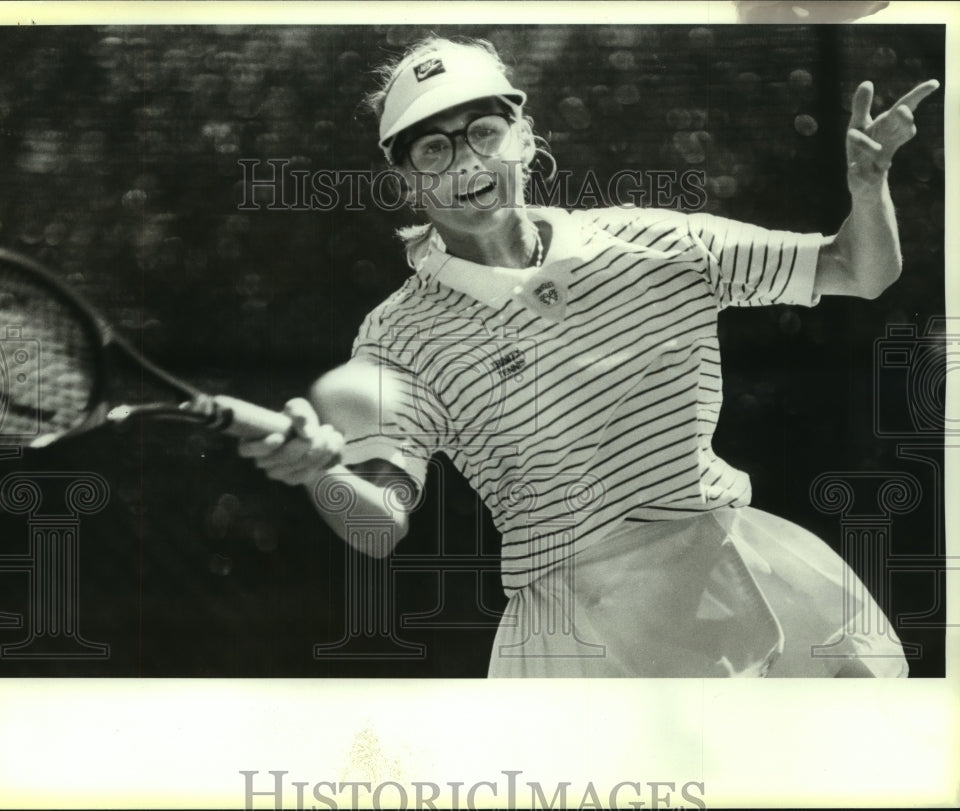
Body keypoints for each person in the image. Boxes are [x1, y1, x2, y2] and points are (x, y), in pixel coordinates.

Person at [239, 36, 938, 677]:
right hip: (580, 640)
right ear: (406, 180)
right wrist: (322, 472)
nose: (466, 162)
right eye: (432, 149)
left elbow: (857, 268)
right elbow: (377, 524)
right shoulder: (400, 339)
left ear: (524, 138)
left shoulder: (659, 244)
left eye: (483, 132)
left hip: (736, 570)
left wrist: (870, 187)